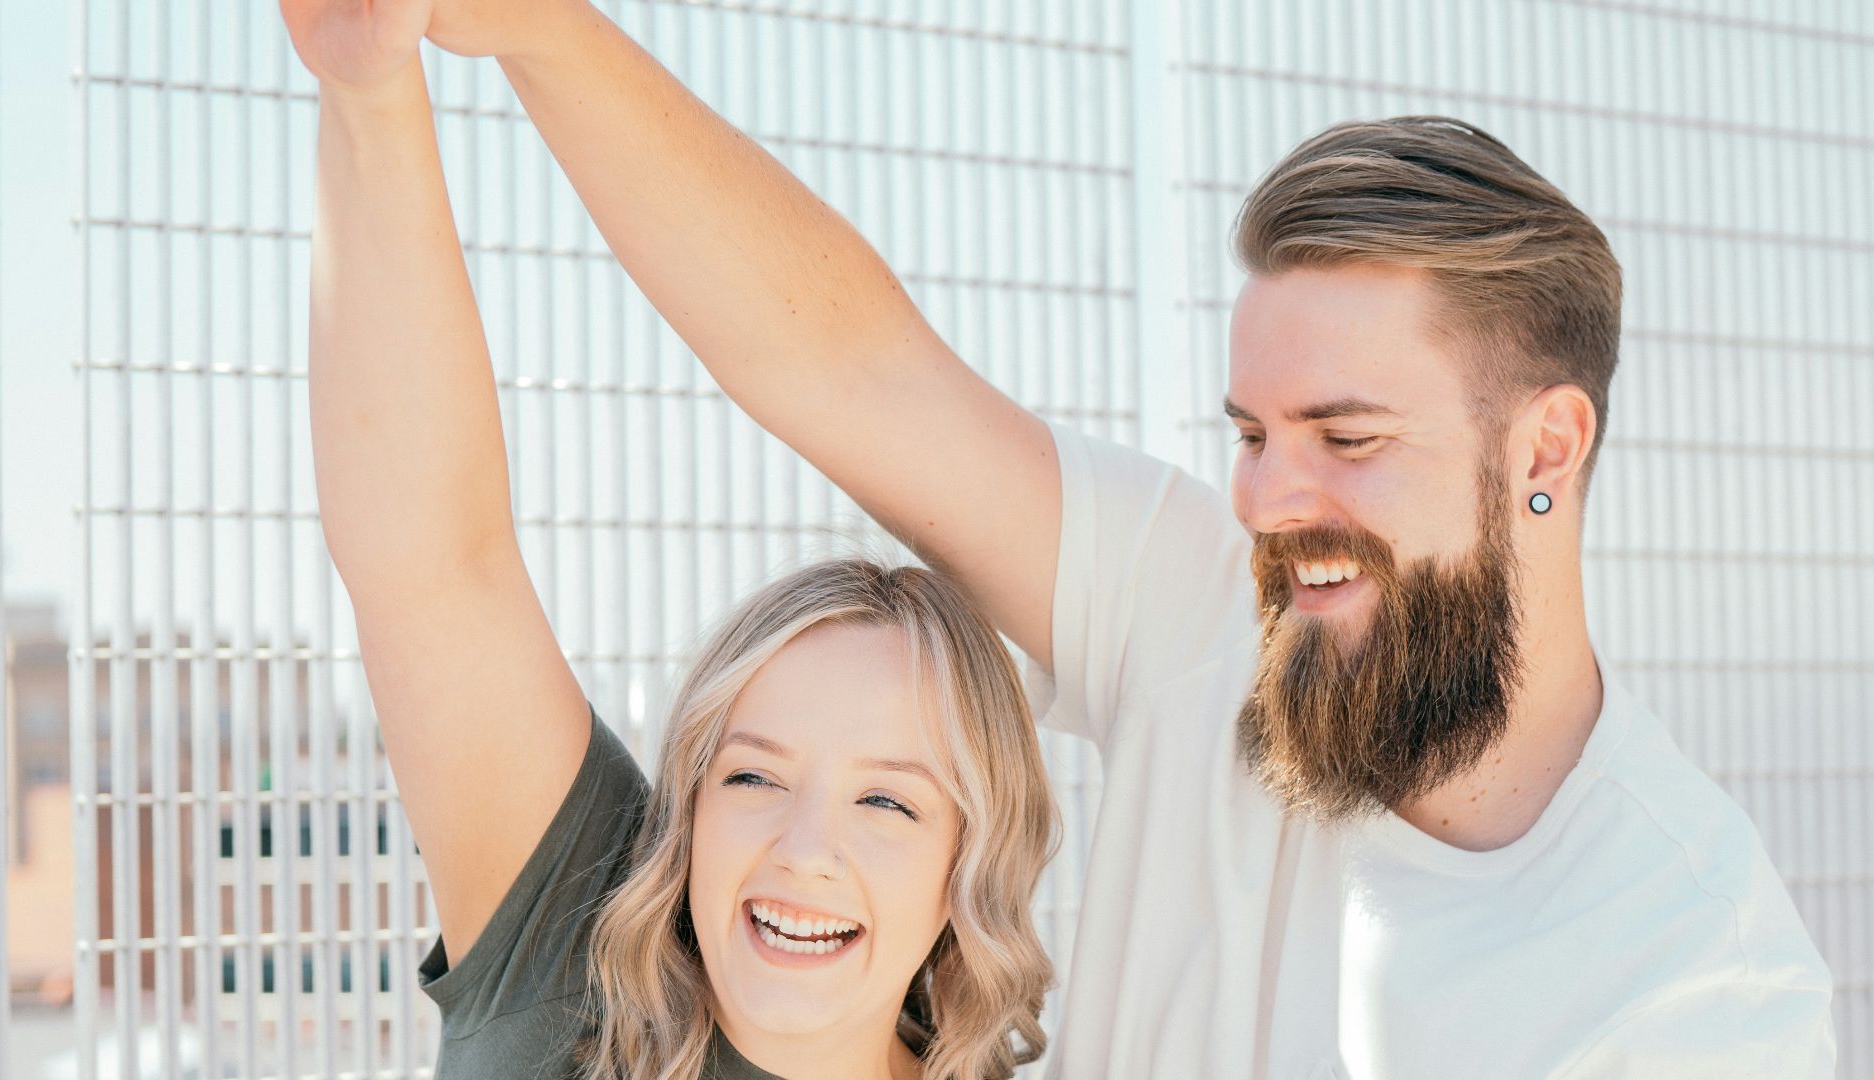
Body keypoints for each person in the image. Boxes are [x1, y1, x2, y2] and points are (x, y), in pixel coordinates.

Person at [410, 1, 1840, 1077]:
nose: (1273, 501)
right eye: (1252, 435)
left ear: (1544, 450)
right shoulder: (1210, 619)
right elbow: (848, 372)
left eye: (1346, 438)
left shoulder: (1696, 981)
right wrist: (534, 29)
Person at [278, 3, 1059, 1078]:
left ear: (969, 868)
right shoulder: (571, 970)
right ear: (686, 815)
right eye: (751, 779)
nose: (804, 853)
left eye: (888, 800)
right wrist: (367, 91)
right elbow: (433, 567)